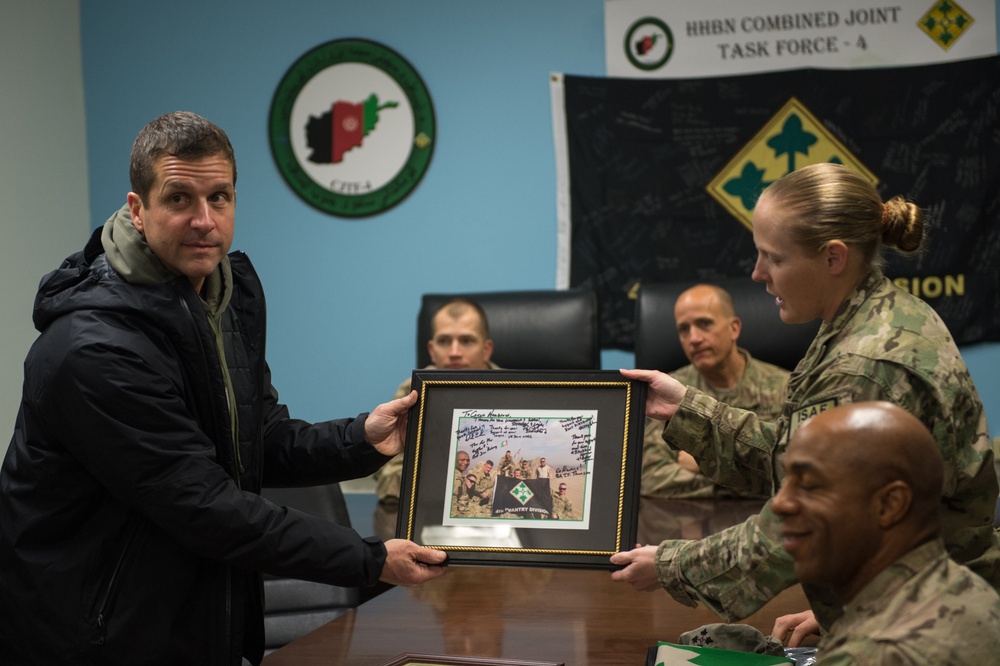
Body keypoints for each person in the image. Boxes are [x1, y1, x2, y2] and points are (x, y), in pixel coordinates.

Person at [0, 111, 448, 666]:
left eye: (220, 197)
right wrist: (367, 558)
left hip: (188, 619)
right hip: (94, 638)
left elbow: (256, 440)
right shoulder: (94, 349)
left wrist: (362, 439)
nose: (205, 221)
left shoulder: (216, 301)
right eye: (179, 199)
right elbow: (203, 504)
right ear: (138, 210)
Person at [610, 162, 1000, 630]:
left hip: (923, 628)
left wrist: (672, 565)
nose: (757, 274)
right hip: (906, 597)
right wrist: (687, 411)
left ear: (834, 257)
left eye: (772, 258)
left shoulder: (864, 366)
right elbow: (799, 456)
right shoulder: (877, 315)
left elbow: (799, 528)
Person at [771, 402, 1000, 662]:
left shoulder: (874, 652)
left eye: (810, 485)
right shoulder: (969, 588)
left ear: (890, 504)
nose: (779, 503)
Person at [641, 283, 789, 499]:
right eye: (684, 329)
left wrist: (704, 465)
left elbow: (794, 473)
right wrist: (740, 477)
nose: (694, 338)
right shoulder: (669, 391)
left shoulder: (783, 387)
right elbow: (650, 476)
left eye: (705, 324)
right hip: (692, 519)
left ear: (734, 328)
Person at [374, 298, 499, 503]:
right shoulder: (412, 393)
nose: (454, 353)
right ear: (431, 350)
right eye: (444, 341)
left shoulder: (517, 389)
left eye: (467, 341)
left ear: (486, 349)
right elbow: (389, 478)